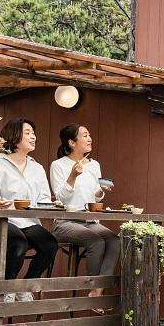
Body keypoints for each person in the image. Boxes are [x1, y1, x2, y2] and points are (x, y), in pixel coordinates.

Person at [0, 118, 58, 301]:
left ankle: (25, 286)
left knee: (50, 244)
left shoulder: (37, 168)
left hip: (28, 220)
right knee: (19, 243)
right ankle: (8, 287)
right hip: (3, 219)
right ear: (14, 136)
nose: (34, 136)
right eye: (28, 132)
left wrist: (46, 206)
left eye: (33, 133)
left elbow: (45, 198)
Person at [49, 123, 119, 303]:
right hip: (65, 222)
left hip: (89, 220)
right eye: (85, 135)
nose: (90, 139)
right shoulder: (58, 165)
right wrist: (72, 176)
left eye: (89, 135)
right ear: (72, 142)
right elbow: (60, 199)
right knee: (95, 241)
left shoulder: (94, 164)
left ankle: (97, 290)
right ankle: (93, 289)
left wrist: (101, 190)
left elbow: (95, 198)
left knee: (114, 240)